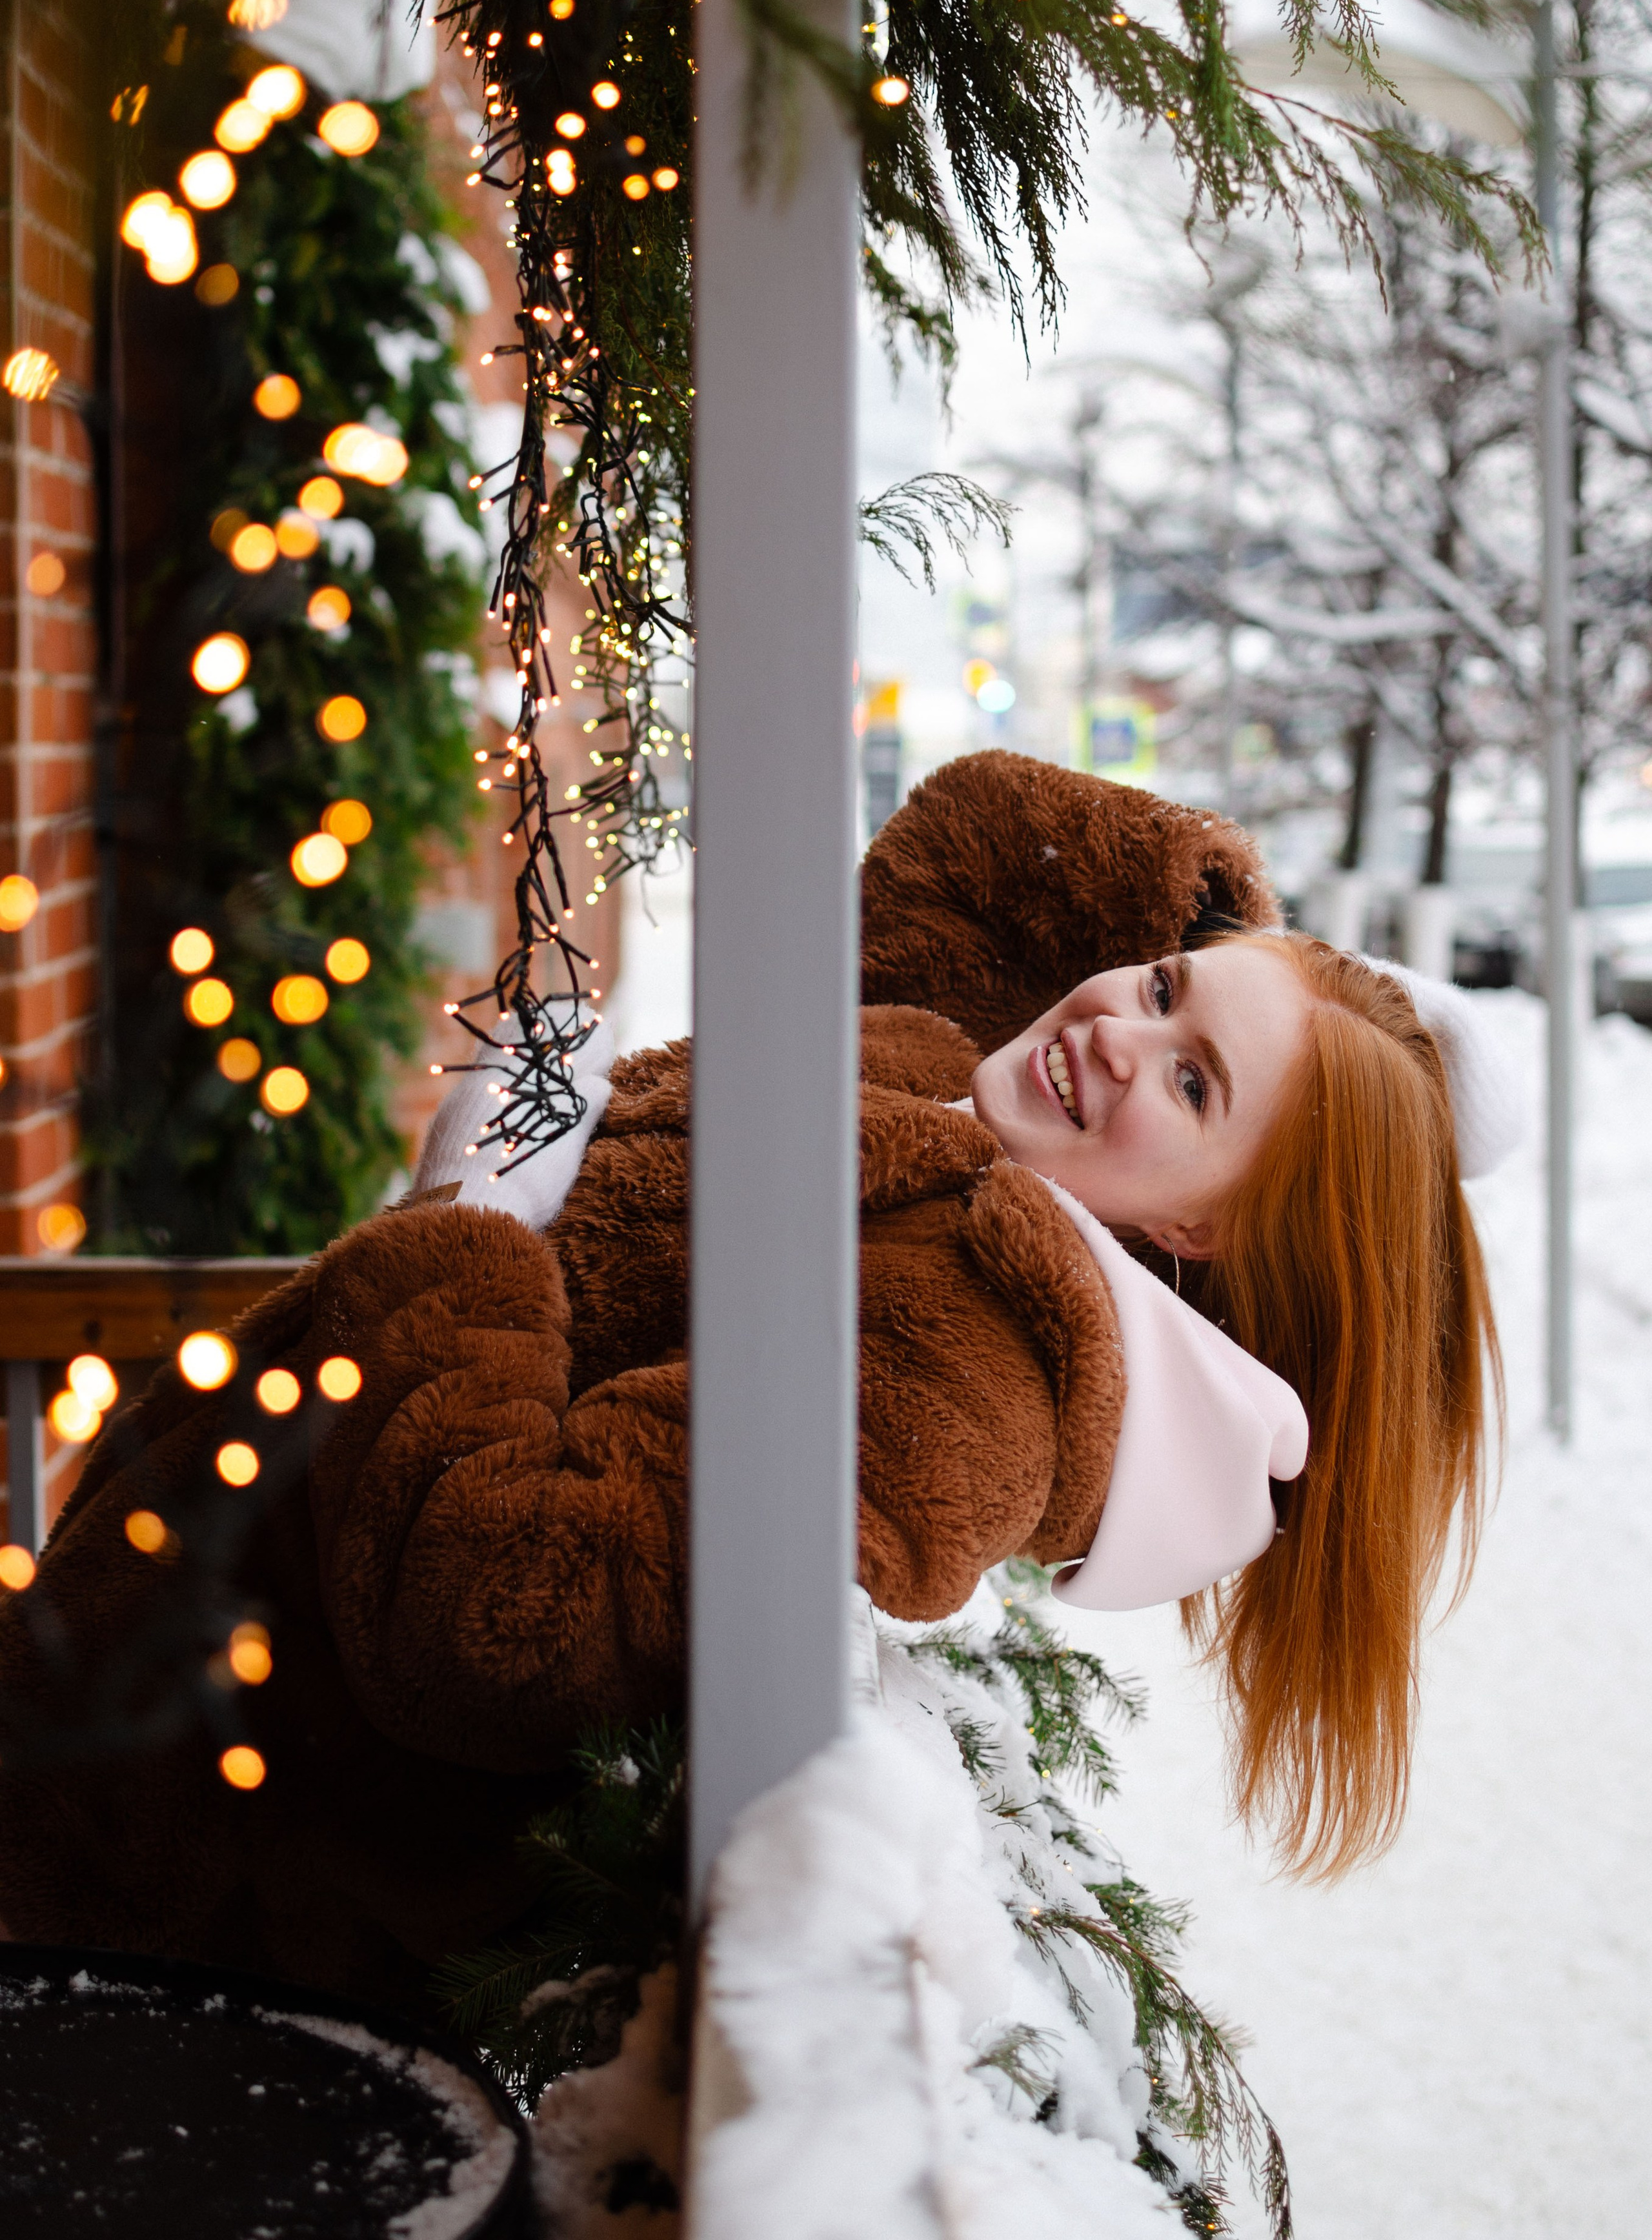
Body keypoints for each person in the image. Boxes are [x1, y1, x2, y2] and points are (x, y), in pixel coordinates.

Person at [0, 752, 1507, 2003]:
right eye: (1164, 982)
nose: (1118, 1029)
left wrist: (465, 1233)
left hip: (193, 1909)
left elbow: (508, 1609)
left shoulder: (978, 1384)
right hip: (135, 1717)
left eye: (1193, 1082)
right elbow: (974, 845)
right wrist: (1246, 945)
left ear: (1199, 1232)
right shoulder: (940, 1073)